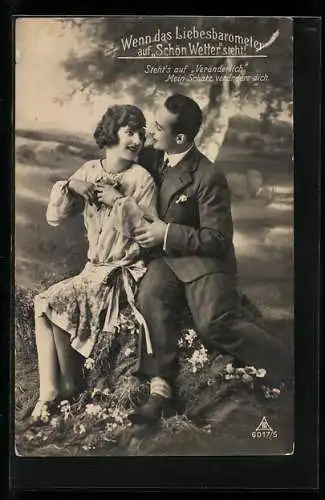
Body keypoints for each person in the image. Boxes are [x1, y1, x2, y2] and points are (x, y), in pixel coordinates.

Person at [123, 93, 293, 424]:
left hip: (204, 260)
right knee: (149, 295)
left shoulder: (208, 175)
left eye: (158, 127)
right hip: (167, 260)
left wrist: (166, 233)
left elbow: (217, 239)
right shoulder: (149, 155)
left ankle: (289, 367)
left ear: (181, 138)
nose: (150, 132)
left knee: (214, 325)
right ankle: (161, 393)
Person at [30, 104, 158, 425]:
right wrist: (71, 185)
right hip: (93, 269)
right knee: (43, 304)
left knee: (49, 301)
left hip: (124, 272)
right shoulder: (88, 170)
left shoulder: (141, 178)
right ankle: (48, 393)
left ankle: (70, 388)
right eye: (130, 131)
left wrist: (120, 200)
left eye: (141, 133)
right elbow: (54, 217)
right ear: (111, 133)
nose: (137, 139)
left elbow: (147, 236)